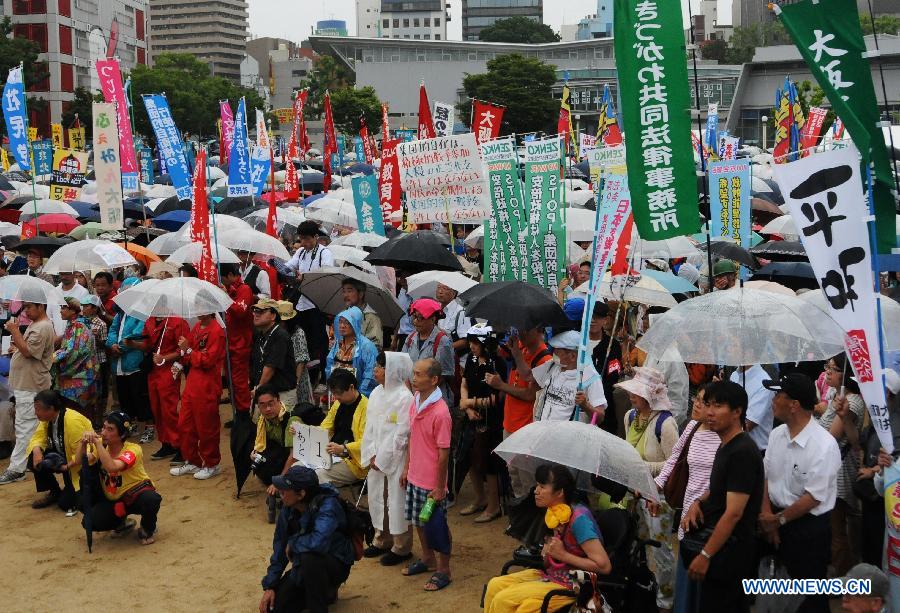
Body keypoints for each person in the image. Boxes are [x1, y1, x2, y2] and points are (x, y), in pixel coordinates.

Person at [758, 373, 841, 613]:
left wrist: (778, 521)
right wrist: (767, 516)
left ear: (794, 405)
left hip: (807, 530)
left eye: (778, 395)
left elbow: (813, 497)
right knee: (772, 589)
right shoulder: (776, 435)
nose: (773, 400)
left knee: (808, 599)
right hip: (772, 521)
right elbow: (765, 476)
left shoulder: (824, 445)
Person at [679, 381, 763, 612]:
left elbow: (734, 512)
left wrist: (706, 554)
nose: (709, 412)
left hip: (731, 554)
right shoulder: (725, 444)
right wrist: (698, 502)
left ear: (737, 412)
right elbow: (719, 489)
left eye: (718, 406)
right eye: (707, 405)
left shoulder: (742, 451)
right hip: (720, 549)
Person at [483, 463, 612, 613]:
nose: (536, 491)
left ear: (559, 492)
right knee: (495, 585)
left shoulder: (579, 519)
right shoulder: (552, 514)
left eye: (542, 487)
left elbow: (604, 566)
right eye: (537, 485)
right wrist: (547, 552)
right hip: (551, 575)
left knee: (504, 600)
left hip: (573, 584)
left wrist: (563, 555)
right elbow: (548, 563)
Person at [654, 384, 721, 613]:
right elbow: (675, 458)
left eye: (704, 402)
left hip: (709, 515)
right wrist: (657, 485)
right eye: (697, 399)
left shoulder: (725, 437)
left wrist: (701, 503)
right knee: (686, 575)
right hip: (687, 512)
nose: (696, 404)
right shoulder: (692, 426)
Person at [617, 365, 679, 610]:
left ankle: (666, 600)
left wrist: (643, 467)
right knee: (636, 543)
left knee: (660, 550)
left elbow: (673, 464)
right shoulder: (630, 416)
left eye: (638, 392)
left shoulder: (666, 423)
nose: (632, 396)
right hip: (635, 492)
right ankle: (642, 588)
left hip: (658, 497)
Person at [259, 465, 354, 613]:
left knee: (309, 557)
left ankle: (322, 601)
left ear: (301, 494)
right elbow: (280, 548)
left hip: (334, 563)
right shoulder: (287, 508)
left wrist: (293, 544)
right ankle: (323, 593)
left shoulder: (328, 505)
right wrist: (270, 586)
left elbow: (318, 543)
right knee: (274, 608)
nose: (280, 492)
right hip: (303, 567)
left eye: (285, 489)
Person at [400, 358, 453, 592]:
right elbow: (413, 437)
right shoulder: (416, 400)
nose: (414, 378)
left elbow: (444, 454)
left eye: (419, 374)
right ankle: (428, 558)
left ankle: (444, 570)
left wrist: (440, 487)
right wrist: (407, 468)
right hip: (415, 475)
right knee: (419, 522)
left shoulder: (441, 412)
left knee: (437, 526)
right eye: (414, 373)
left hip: (431, 482)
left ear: (434, 379)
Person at [74, 411, 161, 545]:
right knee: (89, 521)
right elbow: (79, 460)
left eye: (110, 429)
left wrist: (97, 444)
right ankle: (121, 523)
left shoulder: (133, 449)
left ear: (122, 435)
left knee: (151, 499)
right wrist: (83, 442)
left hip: (134, 496)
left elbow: (112, 467)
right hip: (112, 499)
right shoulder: (102, 446)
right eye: (104, 427)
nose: (103, 433)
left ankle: (147, 527)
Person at [361, 351, 414, 567]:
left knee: (396, 500)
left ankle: (401, 547)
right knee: (377, 497)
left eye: (380, 366)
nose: (376, 370)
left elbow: (402, 433)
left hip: (396, 456)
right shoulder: (376, 393)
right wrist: (371, 453)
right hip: (376, 454)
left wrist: (383, 457)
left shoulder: (404, 397)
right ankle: (382, 539)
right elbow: (369, 426)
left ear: (392, 370)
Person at [486, 326, 552, 498]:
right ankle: (520, 513)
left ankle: (530, 514)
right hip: (510, 424)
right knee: (514, 477)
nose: (521, 333)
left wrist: (501, 385)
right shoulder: (521, 348)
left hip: (526, 428)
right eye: (520, 328)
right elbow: (501, 354)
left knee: (528, 482)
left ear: (539, 330)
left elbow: (531, 394)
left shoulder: (544, 359)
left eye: (526, 329)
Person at [817, 353, 867, 576]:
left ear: (846, 374)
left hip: (840, 471)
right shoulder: (835, 395)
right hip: (830, 468)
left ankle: (844, 578)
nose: (827, 372)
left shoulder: (852, 401)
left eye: (833, 368)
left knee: (838, 529)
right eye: (827, 367)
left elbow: (831, 436)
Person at [0, 300, 56, 485]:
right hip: (28, 383)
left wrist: (15, 331)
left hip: (31, 385)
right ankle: (34, 462)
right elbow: (26, 349)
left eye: (29, 307)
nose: (26, 311)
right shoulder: (37, 324)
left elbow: (29, 352)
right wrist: (17, 344)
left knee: (24, 427)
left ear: (40, 306)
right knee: (31, 426)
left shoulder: (42, 327)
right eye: (24, 307)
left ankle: (17, 469)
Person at [457, 324, 505, 523]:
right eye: (470, 342)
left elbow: (496, 398)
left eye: (476, 343)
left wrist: (469, 403)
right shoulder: (472, 359)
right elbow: (464, 383)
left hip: (491, 419)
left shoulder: (496, 363)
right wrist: (467, 408)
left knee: (488, 463)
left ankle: (494, 506)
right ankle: (480, 498)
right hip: (471, 417)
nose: (471, 346)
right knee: (469, 457)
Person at [170, 312, 226, 480]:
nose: (198, 310)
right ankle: (193, 460)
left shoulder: (217, 331)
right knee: (185, 424)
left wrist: (188, 349)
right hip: (192, 383)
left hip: (207, 385)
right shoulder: (197, 326)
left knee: (206, 426)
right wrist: (182, 359)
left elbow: (208, 360)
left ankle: (212, 464)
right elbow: (189, 352)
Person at [26, 390, 92, 514]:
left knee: (66, 503)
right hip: (61, 457)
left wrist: (67, 466)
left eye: (38, 409)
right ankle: (54, 491)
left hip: (79, 467)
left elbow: (82, 454)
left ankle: (73, 491)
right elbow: (38, 437)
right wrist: (36, 450)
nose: (35, 413)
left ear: (51, 409)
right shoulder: (47, 419)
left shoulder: (72, 421)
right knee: (33, 458)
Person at [285, 220, 334, 379]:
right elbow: (289, 267)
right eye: (301, 239)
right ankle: (310, 377)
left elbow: (326, 274)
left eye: (307, 239)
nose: (304, 243)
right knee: (305, 342)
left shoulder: (324, 253)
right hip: (302, 303)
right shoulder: (300, 252)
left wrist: (304, 277)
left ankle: (324, 377)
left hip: (317, 304)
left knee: (320, 342)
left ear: (315, 237)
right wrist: (279, 266)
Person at [107, 278, 152, 442]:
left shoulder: (142, 312)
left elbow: (139, 332)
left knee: (140, 396)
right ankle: (130, 425)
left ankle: (149, 427)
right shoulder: (121, 313)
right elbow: (112, 330)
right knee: (125, 397)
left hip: (134, 362)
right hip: (119, 364)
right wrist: (112, 344)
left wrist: (121, 347)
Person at [141, 313, 190, 462]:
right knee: (157, 408)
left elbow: (183, 349)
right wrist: (132, 344)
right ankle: (166, 442)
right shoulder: (150, 321)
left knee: (170, 409)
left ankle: (180, 445)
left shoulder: (177, 322)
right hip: (154, 371)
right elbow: (147, 345)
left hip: (169, 370)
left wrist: (164, 358)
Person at [531, 330, 607, 424]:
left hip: (568, 433)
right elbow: (528, 377)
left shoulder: (590, 378)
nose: (553, 353)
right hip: (543, 430)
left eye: (557, 351)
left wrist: (586, 406)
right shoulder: (553, 366)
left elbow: (600, 418)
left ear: (572, 356)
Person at [252, 385, 299, 523]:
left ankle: (288, 494)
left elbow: (295, 455)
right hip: (280, 455)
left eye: (271, 404)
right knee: (258, 460)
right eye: (263, 406)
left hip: (299, 460)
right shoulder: (262, 420)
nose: (267, 409)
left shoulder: (292, 419)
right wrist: (254, 453)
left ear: (278, 400)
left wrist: (280, 481)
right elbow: (261, 444)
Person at [316, 368, 368, 488]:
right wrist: (306, 432)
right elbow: (325, 426)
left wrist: (343, 448)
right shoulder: (338, 403)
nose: (336, 397)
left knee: (318, 475)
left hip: (353, 461)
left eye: (338, 393)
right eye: (333, 393)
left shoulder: (366, 407)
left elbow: (367, 442)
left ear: (351, 387)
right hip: (332, 453)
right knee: (298, 467)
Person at [54, 297, 99, 425]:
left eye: (64, 308)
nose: (61, 311)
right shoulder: (72, 325)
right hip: (77, 374)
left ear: (73, 311)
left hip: (81, 375)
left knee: (79, 414)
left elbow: (74, 351)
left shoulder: (78, 326)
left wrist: (52, 358)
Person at [403, 298, 455, 406]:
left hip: (434, 400)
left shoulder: (442, 341)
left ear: (432, 319)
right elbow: (403, 366)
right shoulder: (410, 338)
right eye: (414, 317)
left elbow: (445, 374)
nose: (415, 321)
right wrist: (409, 394)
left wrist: (423, 390)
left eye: (420, 318)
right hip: (412, 398)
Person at [251, 298, 298, 412]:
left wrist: (259, 388)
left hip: (281, 394)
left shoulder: (280, 335)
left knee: (283, 422)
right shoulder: (259, 334)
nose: (256, 314)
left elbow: (271, 367)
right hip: (264, 391)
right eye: (255, 311)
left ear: (273, 316)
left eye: (261, 311)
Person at [220, 263, 254, 414]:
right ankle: (236, 412)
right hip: (228, 343)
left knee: (239, 381)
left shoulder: (244, 289)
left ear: (229, 275)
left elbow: (240, 311)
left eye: (221, 278)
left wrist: (225, 296)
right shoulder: (228, 289)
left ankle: (243, 414)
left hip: (240, 344)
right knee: (230, 380)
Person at [325, 306, 378, 397]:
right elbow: (329, 366)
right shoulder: (337, 344)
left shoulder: (367, 346)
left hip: (357, 396)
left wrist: (359, 396)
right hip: (336, 394)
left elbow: (370, 375)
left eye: (347, 322)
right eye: (340, 321)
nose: (342, 326)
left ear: (355, 324)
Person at [588, 302, 624, 435]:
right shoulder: (577, 342)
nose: (593, 320)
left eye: (597, 317)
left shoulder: (612, 345)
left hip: (603, 406)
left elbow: (613, 377)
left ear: (605, 320)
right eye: (590, 316)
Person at [729, 364, 774, 454]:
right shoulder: (734, 375)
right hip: (732, 448)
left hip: (755, 453)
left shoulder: (764, 382)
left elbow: (747, 425)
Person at [82, 295, 109, 415]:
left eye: (86, 306)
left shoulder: (101, 324)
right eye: (83, 306)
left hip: (99, 360)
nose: (83, 309)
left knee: (101, 388)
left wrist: (95, 337)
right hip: (86, 361)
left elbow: (104, 345)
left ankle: (100, 414)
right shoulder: (81, 322)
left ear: (95, 308)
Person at [341, 277, 382, 347]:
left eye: (349, 291)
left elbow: (375, 346)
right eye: (344, 291)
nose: (345, 295)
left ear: (360, 294)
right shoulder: (344, 315)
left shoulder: (371, 318)